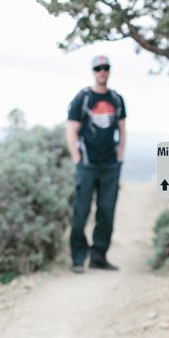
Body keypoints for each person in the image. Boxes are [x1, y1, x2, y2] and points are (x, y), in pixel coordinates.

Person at [65, 54, 126, 273]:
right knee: (81, 212)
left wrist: (120, 154)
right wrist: (77, 158)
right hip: (87, 165)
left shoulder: (116, 99)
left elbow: (122, 128)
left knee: (106, 212)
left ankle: (99, 255)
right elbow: (71, 129)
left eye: (106, 68)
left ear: (109, 70)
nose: (102, 71)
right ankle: (78, 258)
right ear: (94, 71)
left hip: (110, 165)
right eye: (99, 68)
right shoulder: (83, 98)